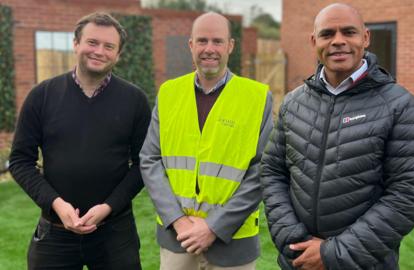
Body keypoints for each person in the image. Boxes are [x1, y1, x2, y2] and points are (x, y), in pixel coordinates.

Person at [260, 3, 414, 270]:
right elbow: (272, 171)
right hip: (298, 260)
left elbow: (407, 195)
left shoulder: (398, 105)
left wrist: (332, 254)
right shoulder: (293, 103)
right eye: (328, 34)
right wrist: (294, 241)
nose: (338, 41)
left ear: (365, 38)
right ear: (314, 41)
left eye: (348, 32)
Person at [9, 12, 150, 269]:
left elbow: (145, 164)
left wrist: (109, 206)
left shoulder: (135, 100)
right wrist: (56, 204)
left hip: (115, 234)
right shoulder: (42, 96)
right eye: (92, 42)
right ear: (75, 44)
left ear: (118, 55)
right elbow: (19, 161)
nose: (99, 51)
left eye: (109, 46)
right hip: (55, 232)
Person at [140, 12, 273, 270]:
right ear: (191, 45)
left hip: (233, 242)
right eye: (202, 41)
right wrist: (177, 220)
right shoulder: (168, 93)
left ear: (230, 46)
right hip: (177, 238)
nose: (209, 49)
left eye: (217, 41)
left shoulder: (257, 97)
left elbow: (264, 169)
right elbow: (150, 159)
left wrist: (214, 226)